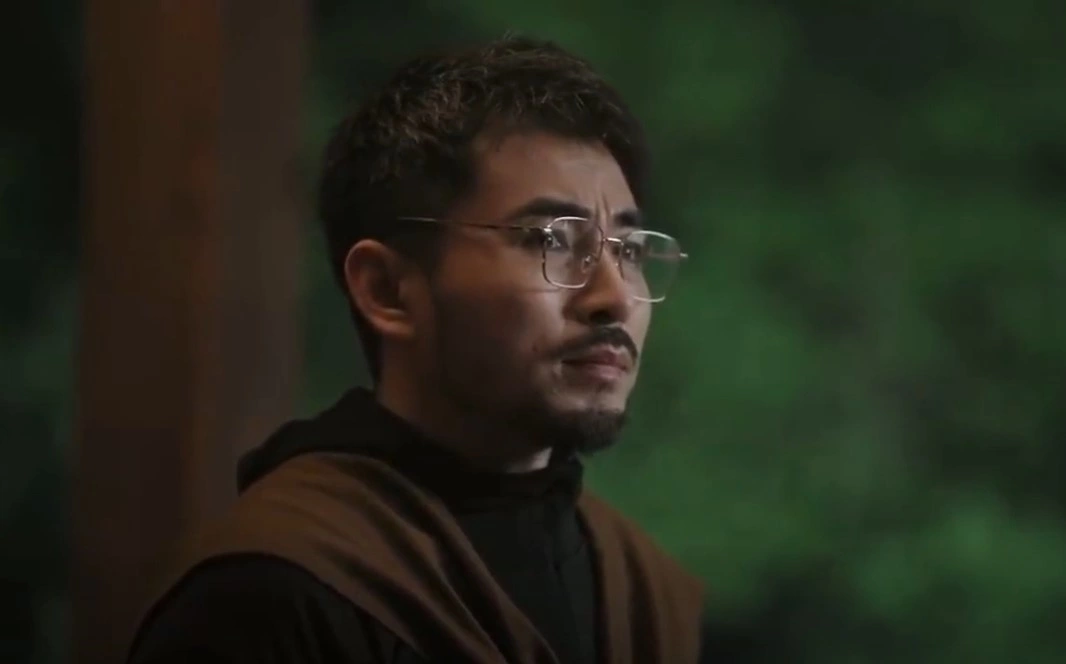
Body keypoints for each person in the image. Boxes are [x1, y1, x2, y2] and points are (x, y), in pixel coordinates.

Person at [127, 36, 709, 663]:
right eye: (550, 240)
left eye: (627, 250)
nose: (614, 297)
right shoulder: (273, 590)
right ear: (386, 289)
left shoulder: (647, 591)